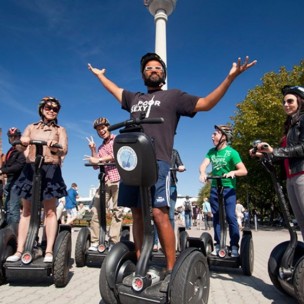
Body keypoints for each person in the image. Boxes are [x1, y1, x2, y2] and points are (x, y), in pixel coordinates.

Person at [88, 52, 256, 272]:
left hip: (158, 160)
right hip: (132, 162)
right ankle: (140, 264)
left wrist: (230, 78)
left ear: (164, 74)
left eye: (157, 67)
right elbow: (115, 89)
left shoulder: (174, 97)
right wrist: (100, 76)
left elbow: (206, 103)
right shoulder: (134, 98)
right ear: (143, 75)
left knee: (159, 212)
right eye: (148, 68)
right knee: (137, 212)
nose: (153, 70)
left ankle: (171, 268)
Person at [6, 96, 68, 263]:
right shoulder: (31, 127)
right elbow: (19, 146)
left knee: (50, 211)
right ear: (41, 109)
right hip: (31, 168)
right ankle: (20, 250)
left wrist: (55, 147)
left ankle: (48, 251)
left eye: (55, 109)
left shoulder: (60, 129)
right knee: (26, 211)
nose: (51, 110)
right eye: (48, 107)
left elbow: (64, 150)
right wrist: (23, 142)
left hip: (50, 169)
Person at [250, 85, 304, 240]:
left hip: (302, 175)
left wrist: (274, 150)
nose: (286, 104)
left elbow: (302, 148)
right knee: (301, 222)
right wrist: (263, 154)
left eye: (290, 101)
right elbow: (285, 155)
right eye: (284, 102)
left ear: (300, 101)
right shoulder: (289, 126)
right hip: (291, 177)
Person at [199, 125, 248, 257]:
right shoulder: (211, 152)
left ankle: (234, 246)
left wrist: (233, 172)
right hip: (215, 188)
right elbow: (203, 165)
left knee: (231, 216)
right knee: (216, 217)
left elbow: (244, 171)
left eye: (215, 134)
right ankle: (218, 244)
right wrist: (203, 173)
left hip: (228, 188)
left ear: (224, 137)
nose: (212, 136)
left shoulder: (232, 153)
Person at [84, 117, 122, 251]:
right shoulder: (101, 147)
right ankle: (95, 241)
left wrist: (99, 159)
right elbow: (96, 165)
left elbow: (116, 154)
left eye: (103, 128)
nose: (101, 131)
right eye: (98, 129)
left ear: (108, 127)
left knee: (118, 211)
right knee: (96, 210)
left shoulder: (117, 139)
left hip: (118, 179)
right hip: (105, 180)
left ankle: (113, 241)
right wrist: (93, 150)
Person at [153, 148, 185, 251]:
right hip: (158, 185)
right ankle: (155, 242)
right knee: (157, 214)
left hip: (171, 186)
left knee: (170, 215)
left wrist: (180, 167)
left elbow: (180, 163)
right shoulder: (155, 151)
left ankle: (168, 244)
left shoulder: (174, 152)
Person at [0, 128, 26, 225]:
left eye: (15, 136)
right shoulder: (11, 150)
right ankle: (7, 229)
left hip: (17, 180)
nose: (13, 138)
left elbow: (19, 166)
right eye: (11, 137)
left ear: (19, 137)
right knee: (7, 207)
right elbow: (7, 165)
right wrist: (3, 169)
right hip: (10, 180)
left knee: (13, 207)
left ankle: (14, 231)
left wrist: (2, 170)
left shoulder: (21, 149)